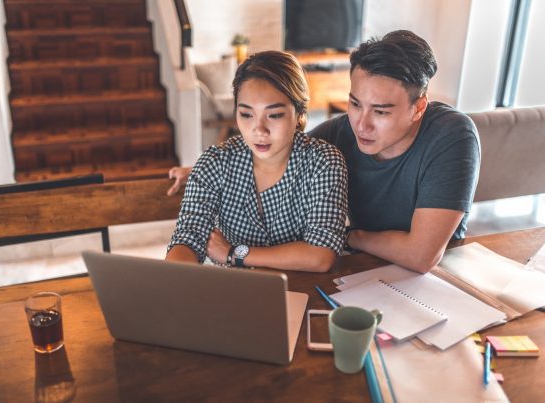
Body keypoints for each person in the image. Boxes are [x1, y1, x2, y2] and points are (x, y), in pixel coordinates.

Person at [167, 31, 480, 274]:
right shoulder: (340, 133)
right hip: (361, 271)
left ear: (418, 108)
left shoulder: (451, 135)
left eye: (381, 112)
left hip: (438, 278)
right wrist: (202, 171)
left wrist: (347, 236)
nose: (362, 124)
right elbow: (278, 150)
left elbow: (421, 256)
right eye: (355, 104)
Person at [166, 51, 348, 272]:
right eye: (246, 114)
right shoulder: (215, 162)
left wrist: (234, 253)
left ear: (299, 113)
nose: (258, 130)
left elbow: (321, 255)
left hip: (304, 289)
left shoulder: (324, 163)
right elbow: (188, 238)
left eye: (274, 115)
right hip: (236, 291)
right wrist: (173, 281)